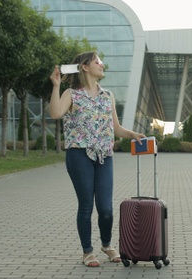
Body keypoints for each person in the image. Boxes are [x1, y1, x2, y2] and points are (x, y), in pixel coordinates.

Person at [49, 51, 145, 267]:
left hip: (104, 155)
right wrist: (55, 86)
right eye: (97, 61)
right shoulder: (71, 94)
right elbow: (55, 113)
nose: (102, 65)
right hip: (79, 154)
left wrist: (132, 135)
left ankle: (107, 244)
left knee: (106, 208)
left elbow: (116, 128)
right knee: (86, 206)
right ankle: (87, 252)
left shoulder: (107, 95)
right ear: (84, 67)